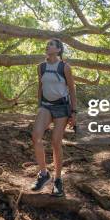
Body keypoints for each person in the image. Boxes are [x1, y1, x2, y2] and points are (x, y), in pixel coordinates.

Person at [30, 38, 77, 196]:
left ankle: (58, 180)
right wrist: (39, 106)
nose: (47, 46)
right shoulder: (41, 67)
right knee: (36, 136)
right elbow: (40, 86)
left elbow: (71, 89)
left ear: (58, 50)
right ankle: (44, 174)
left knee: (56, 142)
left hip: (62, 107)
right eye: (47, 43)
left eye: (51, 44)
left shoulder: (65, 67)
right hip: (45, 106)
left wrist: (73, 112)